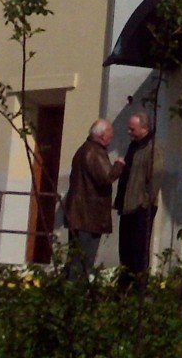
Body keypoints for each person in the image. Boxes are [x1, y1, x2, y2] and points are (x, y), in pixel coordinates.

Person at [60, 118, 121, 281]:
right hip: (87, 215)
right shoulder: (93, 152)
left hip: (81, 214)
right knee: (83, 260)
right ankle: (74, 294)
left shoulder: (85, 150)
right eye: (110, 134)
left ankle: (68, 290)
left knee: (76, 258)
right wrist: (119, 165)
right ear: (101, 135)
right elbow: (106, 177)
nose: (111, 138)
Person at [115, 111, 158, 288]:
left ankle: (139, 290)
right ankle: (124, 288)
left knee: (139, 252)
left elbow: (155, 178)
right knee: (125, 251)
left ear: (145, 128)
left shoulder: (153, 148)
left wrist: (145, 202)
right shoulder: (134, 146)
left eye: (132, 129)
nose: (129, 132)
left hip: (141, 207)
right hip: (127, 206)